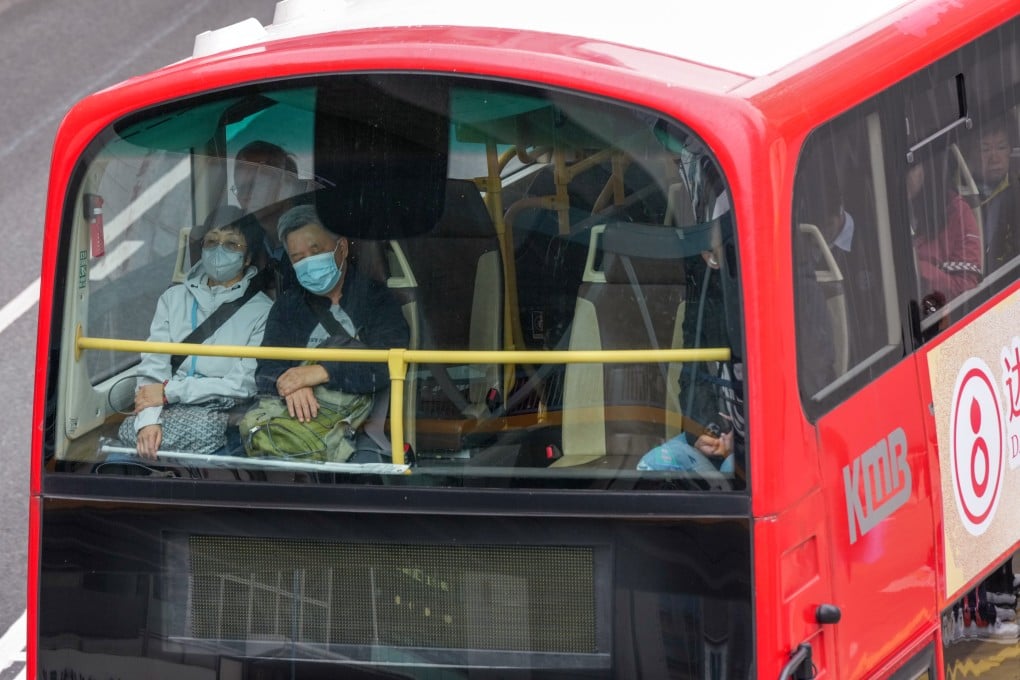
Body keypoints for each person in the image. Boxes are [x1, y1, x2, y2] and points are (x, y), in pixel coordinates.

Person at [120, 207, 273, 458]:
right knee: (118, 463)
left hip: (222, 415)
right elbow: (153, 365)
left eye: (232, 244)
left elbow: (243, 385)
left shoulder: (263, 311)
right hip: (163, 410)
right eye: (212, 241)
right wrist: (148, 422)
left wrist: (170, 392)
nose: (218, 250)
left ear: (247, 258)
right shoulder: (172, 299)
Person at [255, 205, 409, 424]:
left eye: (316, 252)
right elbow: (266, 369)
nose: (309, 262)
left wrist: (321, 371)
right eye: (298, 258)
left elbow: (388, 364)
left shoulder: (376, 299)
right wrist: (291, 384)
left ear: (342, 248)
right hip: (297, 425)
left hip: (362, 424)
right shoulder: (287, 306)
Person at [906, 159, 982, 313]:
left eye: (911, 168)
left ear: (925, 169)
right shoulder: (875, 219)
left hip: (939, 316)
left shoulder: (956, 211)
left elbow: (967, 288)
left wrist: (918, 268)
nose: (905, 177)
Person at [972, 116, 1020, 273]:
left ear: (1010, 150)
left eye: (1001, 147)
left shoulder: (1016, 190)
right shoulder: (954, 195)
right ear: (971, 154)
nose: (994, 159)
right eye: (985, 150)